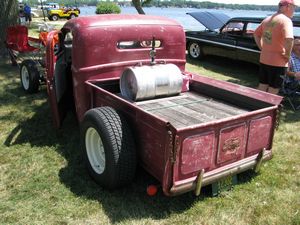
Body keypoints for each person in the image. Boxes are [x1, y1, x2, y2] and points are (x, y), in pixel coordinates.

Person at [254, 0, 297, 95]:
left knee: (262, 86)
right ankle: (267, 109)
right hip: (278, 63)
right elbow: (289, 39)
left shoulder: (268, 19)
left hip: (264, 59)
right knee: (273, 90)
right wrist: (287, 55)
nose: (295, 10)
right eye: (294, 7)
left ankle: (257, 107)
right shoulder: (286, 20)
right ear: (288, 6)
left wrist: (262, 48)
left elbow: (256, 34)